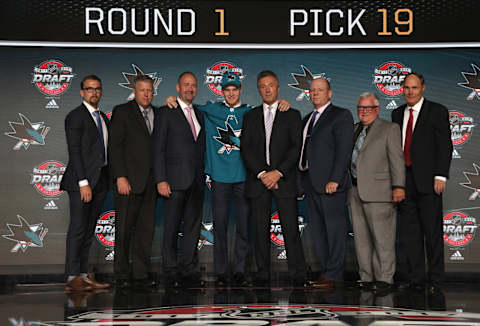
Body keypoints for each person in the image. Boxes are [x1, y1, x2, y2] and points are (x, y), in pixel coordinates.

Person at [163, 72, 291, 287]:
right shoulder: (210, 110)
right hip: (220, 178)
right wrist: (171, 100)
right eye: (227, 90)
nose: (231, 93)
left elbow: (271, 113)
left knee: (243, 226)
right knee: (220, 226)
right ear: (222, 92)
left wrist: (282, 103)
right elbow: (187, 107)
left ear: (240, 90)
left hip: (244, 178)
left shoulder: (251, 113)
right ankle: (221, 271)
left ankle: (240, 270)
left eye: (235, 90)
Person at [241, 70, 307, 287]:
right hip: (258, 181)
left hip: (284, 180)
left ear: (278, 88)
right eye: (263, 86)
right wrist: (263, 174)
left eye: (271, 85)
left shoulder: (292, 114)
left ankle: (298, 273)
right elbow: (246, 149)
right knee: (259, 229)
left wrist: (278, 173)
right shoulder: (250, 116)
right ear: (258, 89)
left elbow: (295, 147)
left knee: (290, 228)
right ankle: (262, 273)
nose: (267, 89)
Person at [391, 72, 452, 292]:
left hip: (429, 182)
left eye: (414, 88)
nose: (410, 92)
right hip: (405, 182)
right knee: (411, 235)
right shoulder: (396, 113)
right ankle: (416, 279)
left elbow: (445, 146)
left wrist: (441, 175)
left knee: (432, 234)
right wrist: (396, 183)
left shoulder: (437, 111)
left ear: (423, 88)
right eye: (406, 87)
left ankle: (436, 280)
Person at [152, 72, 206, 288]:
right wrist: (161, 179)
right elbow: (157, 149)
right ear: (177, 87)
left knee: (193, 228)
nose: (189, 89)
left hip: (196, 181)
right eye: (186, 85)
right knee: (172, 228)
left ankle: (189, 271)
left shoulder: (200, 114)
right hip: (173, 181)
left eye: (193, 85)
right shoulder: (166, 112)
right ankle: (170, 271)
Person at [299, 77, 354, 289]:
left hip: (331, 185)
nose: (315, 94)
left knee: (334, 231)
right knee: (319, 233)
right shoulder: (306, 119)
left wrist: (335, 179)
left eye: (320, 90)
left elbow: (343, 151)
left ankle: (335, 274)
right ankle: (326, 273)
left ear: (329, 93)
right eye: (312, 91)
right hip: (310, 184)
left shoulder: (340, 115)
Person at [348, 92, 405, 291]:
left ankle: (385, 278)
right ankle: (366, 277)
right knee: (362, 239)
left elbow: (397, 160)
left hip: (380, 192)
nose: (364, 111)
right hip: (354, 191)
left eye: (368, 108)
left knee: (383, 238)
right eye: (360, 108)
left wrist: (399, 186)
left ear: (377, 109)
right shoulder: (354, 129)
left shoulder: (390, 129)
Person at [60, 75, 110, 292]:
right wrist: (83, 182)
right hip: (81, 183)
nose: (94, 92)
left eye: (97, 88)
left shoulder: (103, 118)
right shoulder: (75, 117)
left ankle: (83, 274)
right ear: (82, 92)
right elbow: (75, 152)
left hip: (100, 182)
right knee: (78, 229)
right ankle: (72, 277)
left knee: (89, 230)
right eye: (90, 89)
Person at [108, 75, 159, 288]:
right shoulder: (122, 112)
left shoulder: (159, 113)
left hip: (151, 183)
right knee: (123, 229)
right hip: (128, 182)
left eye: (149, 90)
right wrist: (120, 176)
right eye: (142, 90)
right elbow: (114, 147)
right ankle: (121, 274)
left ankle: (140, 274)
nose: (146, 94)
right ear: (134, 91)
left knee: (145, 231)